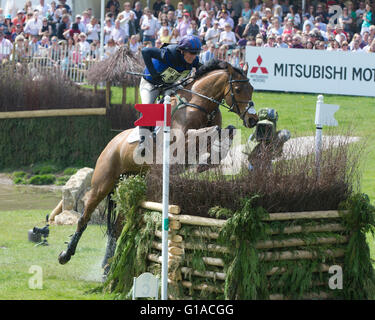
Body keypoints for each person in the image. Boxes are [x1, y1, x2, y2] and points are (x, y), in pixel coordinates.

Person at [138, 35, 203, 147]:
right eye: (191, 53)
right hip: (151, 84)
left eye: (196, 53)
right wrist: (154, 74)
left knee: (182, 102)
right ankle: (143, 141)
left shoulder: (194, 60)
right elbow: (145, 51)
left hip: (169, 85)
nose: (194, 56)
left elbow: (202, 69)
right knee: (148, 106)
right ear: (182, 51)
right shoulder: (168, 53)